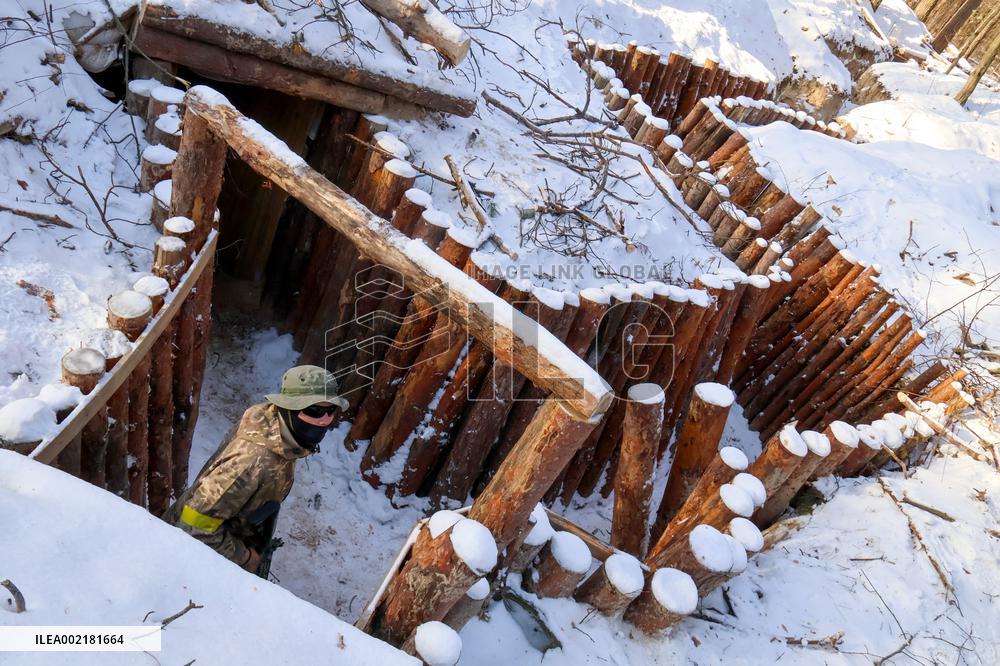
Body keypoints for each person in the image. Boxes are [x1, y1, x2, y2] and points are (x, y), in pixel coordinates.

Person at [164, 365, 347, 573]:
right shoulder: (252, 462)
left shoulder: (278, 428)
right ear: (289, 408)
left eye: (331, 410)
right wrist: (244, 557)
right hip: (185, 561)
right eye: (314, 410)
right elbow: (193, 526)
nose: (324, 420)